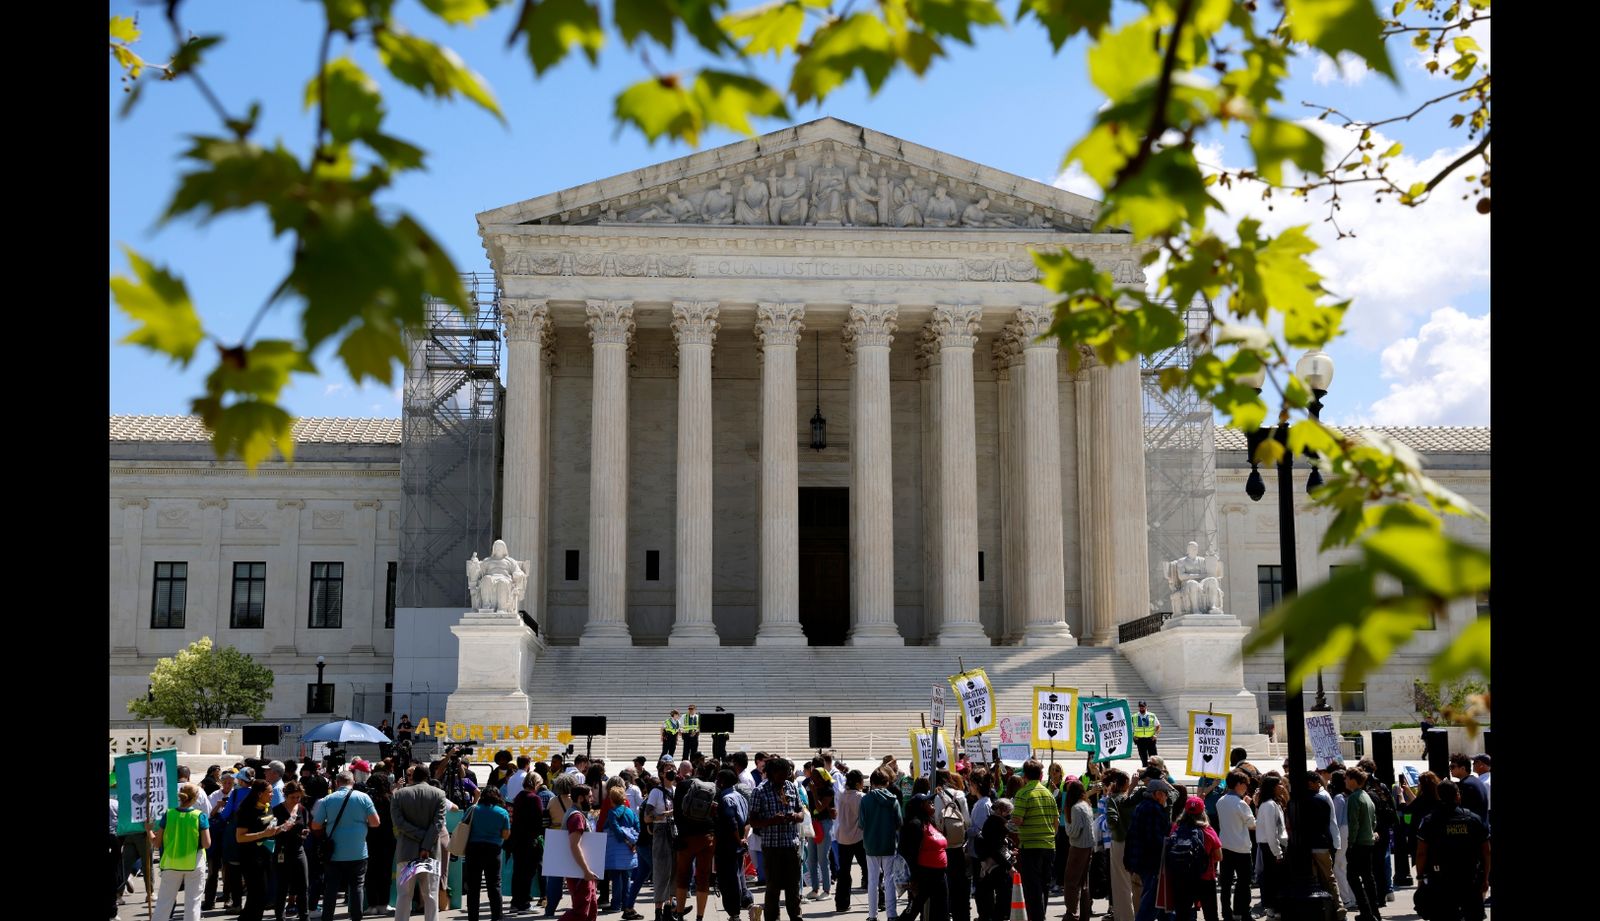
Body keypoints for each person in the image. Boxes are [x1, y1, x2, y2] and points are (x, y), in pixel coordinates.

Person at [312, 770, 381, 921]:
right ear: (353, 782)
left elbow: (315, 825)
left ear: (337, 783)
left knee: (331, 887)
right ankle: (356, 918)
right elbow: (375, 823)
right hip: (358, 851)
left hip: (334, 852)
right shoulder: (364, 798)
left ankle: (327, 918)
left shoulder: (327, 799)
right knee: (357, 887)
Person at [1414, 781, 1489, 921]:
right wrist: (1485, 878)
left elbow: (1421, 853)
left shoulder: (1430, 821)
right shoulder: (1473, 819)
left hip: (1440, 880)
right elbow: (1486, 851)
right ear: (1457, 796)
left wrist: (1420, 878)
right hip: (1469, 878)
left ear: (1439, 796)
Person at [751, 757, 806, 921]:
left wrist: (796, 816)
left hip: (791, 845)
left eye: (786, 774)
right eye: (780, 775)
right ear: (771, 773)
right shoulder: (759, 791)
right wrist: (771, 821)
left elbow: (802, 812)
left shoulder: (790, 786)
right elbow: (753, 821)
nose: (784, 779)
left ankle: (796, 916)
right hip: (772, 848)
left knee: (793, 887)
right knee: (773, 887)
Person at [150, 782, 212, 921]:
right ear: (196, 798)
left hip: (171, 863)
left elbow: (157, 843)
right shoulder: (200, 816)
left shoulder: (169, 814)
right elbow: (207, 844)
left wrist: (149, 830)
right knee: (193, 903)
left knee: (164, 902)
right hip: (194, 863)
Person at [392, 764, 447, 921]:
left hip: (407, 853)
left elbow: (399, 823)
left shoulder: (399, 795)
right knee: (431, 895)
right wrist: (425, 841)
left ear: (412, 776)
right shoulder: (439, 794)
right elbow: (438, 824)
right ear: (427, 777)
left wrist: (420, 836)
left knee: (404, 895)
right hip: (429, 853)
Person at [1013, 760, 1058, 921]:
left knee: (1032, 889)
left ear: (1024, 776)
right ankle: (1041, 916)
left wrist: (1018, 820)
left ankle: (1037, 918)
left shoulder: (1023, 793)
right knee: (1044, 886)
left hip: (1030, 846)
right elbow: (1056, 821)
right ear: (1041, 775)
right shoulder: (1048, 794)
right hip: (1048, 846)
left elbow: (1017, 819)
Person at [675, 760, 720, 921]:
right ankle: (700, 917)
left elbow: (677, 814)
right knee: (703, 878)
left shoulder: (683, 785)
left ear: (695, 771)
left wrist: (681, 834)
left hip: (686, 836)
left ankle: (679, 913)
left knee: (682, 876)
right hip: (707, 837)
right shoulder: (715, 789)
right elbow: (717, 817)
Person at [1164, 796, 1222, 921]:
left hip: (1180, 877)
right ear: (1203, 812)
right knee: (1211, 914)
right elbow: (1219, 856)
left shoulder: (1176, 828)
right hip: (1205, 877)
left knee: (1182, 914)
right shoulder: (1208, 830)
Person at [1124, 777, 1172, 921]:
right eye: (1165, 794)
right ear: (1157, 794)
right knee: (1150, 902)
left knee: (1158, 903)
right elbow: (1155, 839)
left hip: (1141, 860)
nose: (1167, 797)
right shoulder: (1154, 809)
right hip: (1151, 863)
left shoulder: (1142, 806)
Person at [236, 779, 283, 921]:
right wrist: (263, 835)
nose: (272, 795)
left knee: (257, 895)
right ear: (259, 794)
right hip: (250, 858)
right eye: (269, 792)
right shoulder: (246, 809)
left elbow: (269, 828)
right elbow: (240, 837)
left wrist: (283, 827)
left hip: (266, 855)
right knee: (259, 895)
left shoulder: (267, 807)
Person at [464, 786, 513, 921]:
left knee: (473, 887)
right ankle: (497, 917)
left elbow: (463, 825)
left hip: (473, 850)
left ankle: (473, 918)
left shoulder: (473, 809)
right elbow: (506, 834)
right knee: (494, 885)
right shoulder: (502, 812)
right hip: (493, 850)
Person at [862, 766, 904, 921]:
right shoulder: (893, 800)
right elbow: (899, 822)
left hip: (871, 843)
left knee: (873, 880)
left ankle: (872, 915)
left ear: (872, 782)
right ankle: (891, 914)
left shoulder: (865, 799)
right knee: (889, 878)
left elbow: (861, 823)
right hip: (888, 842)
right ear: (887, 782)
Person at [902, 793, 951, 921]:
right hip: (924, 875)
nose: (932, 803)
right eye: (928, 802)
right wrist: (914, 879)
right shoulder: (915, 824)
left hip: (940, 874)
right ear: (920, 806)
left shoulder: (930, 821)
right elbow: (910, 853)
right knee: (912, 910)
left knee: (942, 911)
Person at [1214, 771, 1255, 921]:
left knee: (1225, 883)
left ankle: (1226, 913)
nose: (1247, 787)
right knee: (1244, 883)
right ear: (1238, 784)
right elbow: (1252, 825)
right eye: (1245, 784)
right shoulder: (1241, 803)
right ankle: (1242, 911)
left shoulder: (1221, 801)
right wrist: (1249, 805)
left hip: (1225, 846)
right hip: (1242, 848)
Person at [713, 768, 753, 921]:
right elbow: (747, 821)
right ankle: (747, 903)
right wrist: (743, 839)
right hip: (739, 844)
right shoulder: (740, 797)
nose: (716, 783)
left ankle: (734, 913)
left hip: (728, 845)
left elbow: (732, 823)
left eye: (718, 780)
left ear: (722, 782)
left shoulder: (725, 799)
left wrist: (738, 839)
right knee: (739, 876)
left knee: (729, 880)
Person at [560, 784, 602, 921]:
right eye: (589, 796)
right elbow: (574, 845)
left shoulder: (576, 814)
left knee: (591, 909)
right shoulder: (576, 817)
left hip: (584, 872)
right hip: (580, 873)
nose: (592, 799)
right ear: (580, 798)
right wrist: (586, 871)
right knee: (581, 912)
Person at [643, 761, 678, 921]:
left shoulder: (675, 790)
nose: (671, 771)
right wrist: (667, 813)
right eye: (668, 769)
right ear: (662, 774)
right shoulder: (656, 792)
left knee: (674, 871)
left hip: (674, 832)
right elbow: (647, 817)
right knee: (661, 871)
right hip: (661, 831)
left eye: (673, 768)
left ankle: (669, 909)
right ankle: (658, 911)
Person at [510, 771, 548, 915]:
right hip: (530, 840)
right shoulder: (534, 798)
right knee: (528, 872)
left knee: (518, 872)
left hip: (518, 839)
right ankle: (524, 903)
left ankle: (515, 902)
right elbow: (538, 820)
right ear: (536, 783)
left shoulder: (519, 796)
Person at [274, 781, 312, 921]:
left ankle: (304, 917)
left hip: (298, 851)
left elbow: (306, 826)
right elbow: (271, 832)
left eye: (298, 797)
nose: (296, 800)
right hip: (282, 852)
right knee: (282, 888)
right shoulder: (277, 810)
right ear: (286, 796)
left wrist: (305, 832)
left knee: (303, 887)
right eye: (293, 797)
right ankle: (279, 916)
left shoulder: (302, 809)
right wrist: (284, 827)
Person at [973, 796, 1014, 921]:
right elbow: (996, 849)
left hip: (990, 865)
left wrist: (1009, 851)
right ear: (1001, 811)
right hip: (995, 866)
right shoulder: (996, 824)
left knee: (990, 895)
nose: (1010, 816)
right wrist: (1009, 866)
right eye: (1008, 812)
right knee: (1002, 895)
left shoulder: (992, 822)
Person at [1058, 779, 1094, 921]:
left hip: (1078, 847)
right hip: (1088, 846)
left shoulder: (1076, 808)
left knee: (1071, 881)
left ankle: (1071, 913)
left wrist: (1066, 823)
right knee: (1083, 882)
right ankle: (1084, 913)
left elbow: (1074, 832)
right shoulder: (1086, 805)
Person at [1253, 775, 1287, 921]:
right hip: (1271, 847)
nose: (1282, 787)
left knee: (1276, 881)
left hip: (1274, 846)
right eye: (1279, 784)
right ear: (1272, 787)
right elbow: (1270, 831)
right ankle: (1274, 910)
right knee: (1274, 881)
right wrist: (1277, 853)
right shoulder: (1268, 805)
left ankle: (1275, 909)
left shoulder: (1274, 803)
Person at [834, 769, 867, 912]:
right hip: (858, 836)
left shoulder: (841, 795)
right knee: (868, 868)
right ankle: (879, 900)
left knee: (844, 872)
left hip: (843, 837)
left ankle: (841, 903)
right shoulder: (861, 797)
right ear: (858, 782)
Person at [805, 757, 837, 902]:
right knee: (811, 858)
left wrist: (814, 791)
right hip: (813, 823)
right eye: (812, 776)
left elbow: (819, 807)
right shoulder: (812, 788)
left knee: (822, 858)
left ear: (823, 778)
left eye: (816, 777)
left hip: (824, 824)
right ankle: (815, 889)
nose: (813, 779)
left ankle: (826, 890)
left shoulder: (828, 790)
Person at [365, 773, 396, 917]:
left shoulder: (367, 799)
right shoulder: (390, 799)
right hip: (388, 839)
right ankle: (384, 903)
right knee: (385, 872)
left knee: (370, 872)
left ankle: (372, 904)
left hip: (369, 838)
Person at [1447, 754, 1489, 827]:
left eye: (1452, 767)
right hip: (1482, 826)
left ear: (1463, 768)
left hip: (1476, 829)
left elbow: (1462, 811)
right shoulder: (1475, 781)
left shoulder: (1466, 785)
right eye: (1450, 767)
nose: (1450, 769)